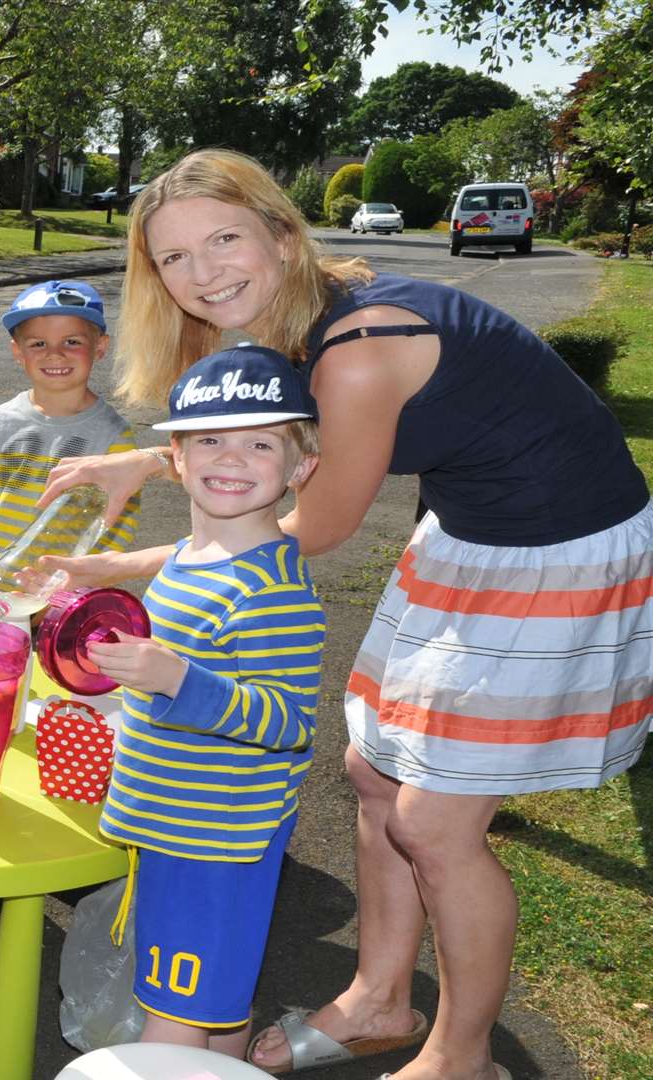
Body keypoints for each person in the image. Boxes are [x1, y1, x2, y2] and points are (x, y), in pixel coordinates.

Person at [40, 148, 651, 1080]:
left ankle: (462, 1057)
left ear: (283, 236)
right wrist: (145, 461)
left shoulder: (359, 351)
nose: (202, 274)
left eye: (224, 239)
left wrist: (120, 563)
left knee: (437, 825)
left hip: (555, 545)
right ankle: (380, 999)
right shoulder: (294, 317)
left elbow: (295, 532)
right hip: (469, 529)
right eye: (172, 258)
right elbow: (260, 438)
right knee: (374, 772)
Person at [85, 345, 324, 1061]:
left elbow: (288, 722)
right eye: (210, 440)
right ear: (178, 460)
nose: (232, 458)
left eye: (261, 442)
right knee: (214, 1005)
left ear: (301, 468)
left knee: (171, 1020)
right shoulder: (191, 561)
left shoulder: (272, 590)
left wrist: (174, 679)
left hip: (213, 844)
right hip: (179, 824)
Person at [0, 279, 141, 612]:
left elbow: (118, 525)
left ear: (101, 347)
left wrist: (65, 587)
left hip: (61, 601)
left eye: (72, 341)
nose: (55, 354)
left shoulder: (114, 438)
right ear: (17, 351)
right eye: (38, 344)